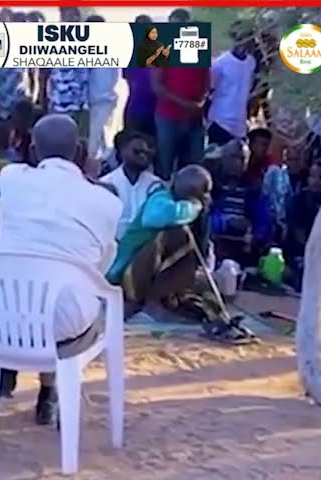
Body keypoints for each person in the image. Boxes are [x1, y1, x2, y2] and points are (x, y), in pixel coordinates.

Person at [0, 114, 122, 425]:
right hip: (67, 326)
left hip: (5, 320)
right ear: (80, 151)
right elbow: (101, 267)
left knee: (36, 289)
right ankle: (52, 390)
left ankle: (37, 384)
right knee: (72, 300)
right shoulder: (107, 203)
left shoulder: (10, 178)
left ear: (32, 150)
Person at [108, 164, 254, 343]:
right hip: (128, 275)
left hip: (155, 275)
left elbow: (201, 254)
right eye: (204, 192)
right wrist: (194, 207)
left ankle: (213, 318)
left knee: (201, 292)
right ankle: (152, 303)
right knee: (177, 233)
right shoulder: (161, 198)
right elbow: (154, 218)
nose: (208, 197)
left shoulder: (196, 214)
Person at [206, 139, 273, 268]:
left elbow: (263, 220)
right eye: (233, 157)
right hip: (213, 244)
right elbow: (203, 217)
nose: (237, 163)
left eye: (242, 159)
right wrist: (227, 222)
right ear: (223, 158)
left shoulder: (253, 188)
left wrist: (254, 235)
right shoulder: (211, 185)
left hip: (242, 247)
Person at [99, 131, 163, 240]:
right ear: (122, 152)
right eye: (137, 151)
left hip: (146, 243)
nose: (142, 156)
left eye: (147, 153)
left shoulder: (155, 184)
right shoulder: (107, 183)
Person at [153, 62, 210, 179]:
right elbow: (157, 86)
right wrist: (185, 104)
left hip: (195, 119)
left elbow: (207, 85)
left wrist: (200, 102)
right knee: (165, 164)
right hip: (168, 117)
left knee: (195, 165)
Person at [206, 23, 258, 145]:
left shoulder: (251, 62)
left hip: (240, 126)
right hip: (220, 122)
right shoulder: (220, 64)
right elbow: (208, 92)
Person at [85, 16, 119, 162]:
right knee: (99, 141)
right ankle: (106, 165)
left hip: (103, 100)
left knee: (93, 145)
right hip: (89, 102)